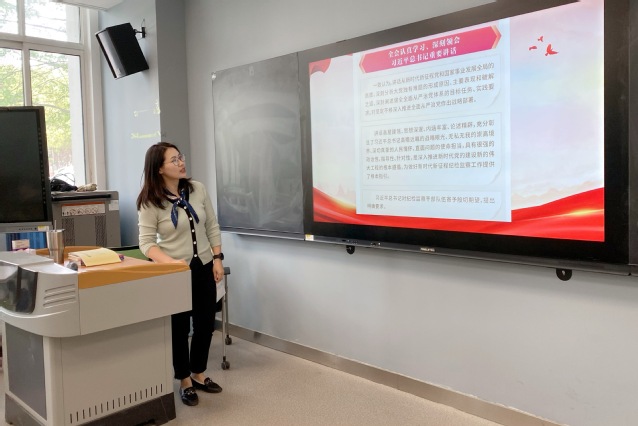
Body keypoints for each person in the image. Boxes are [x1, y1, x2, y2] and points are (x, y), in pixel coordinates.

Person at [137, 142, 225, 407]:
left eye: (181, 157)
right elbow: (146, 244)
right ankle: (184, 380)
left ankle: (199, 373)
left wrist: (218, 258)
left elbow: (212, 226)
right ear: (159, 168)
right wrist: (172, 263)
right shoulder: (150, 202)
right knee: (179, 328)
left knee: (205, 324)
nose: (181, 163)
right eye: (174, 160)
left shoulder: (197, 189)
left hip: (204, 265)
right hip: (175, 272)